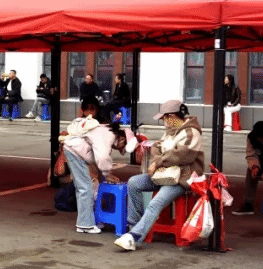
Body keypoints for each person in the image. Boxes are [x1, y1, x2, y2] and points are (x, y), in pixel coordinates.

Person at [115, 100, 204, 251]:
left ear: (171, 116)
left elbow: (181, 156)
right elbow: (157, 148)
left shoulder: (191, 132)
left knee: (155, 203)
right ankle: (135, 225)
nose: (164, 122)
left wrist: (157, 163)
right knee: (134, 182)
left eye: (164, 118)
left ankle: (134, 237)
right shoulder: (170, 131)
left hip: (181, 179)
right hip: (164, 175)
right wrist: (158, 160)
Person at [62, 98, 130, 234]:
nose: (120, 149)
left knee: (84, 187)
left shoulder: (104, 129)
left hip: (74, 151)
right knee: (85, 188)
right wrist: (107, 174)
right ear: (121, 138)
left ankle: (88, 221)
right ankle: (85, 224)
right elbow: (103, 156)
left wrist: (106, 172)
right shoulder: (108, 134)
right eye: (123, 145)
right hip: (75, 152)